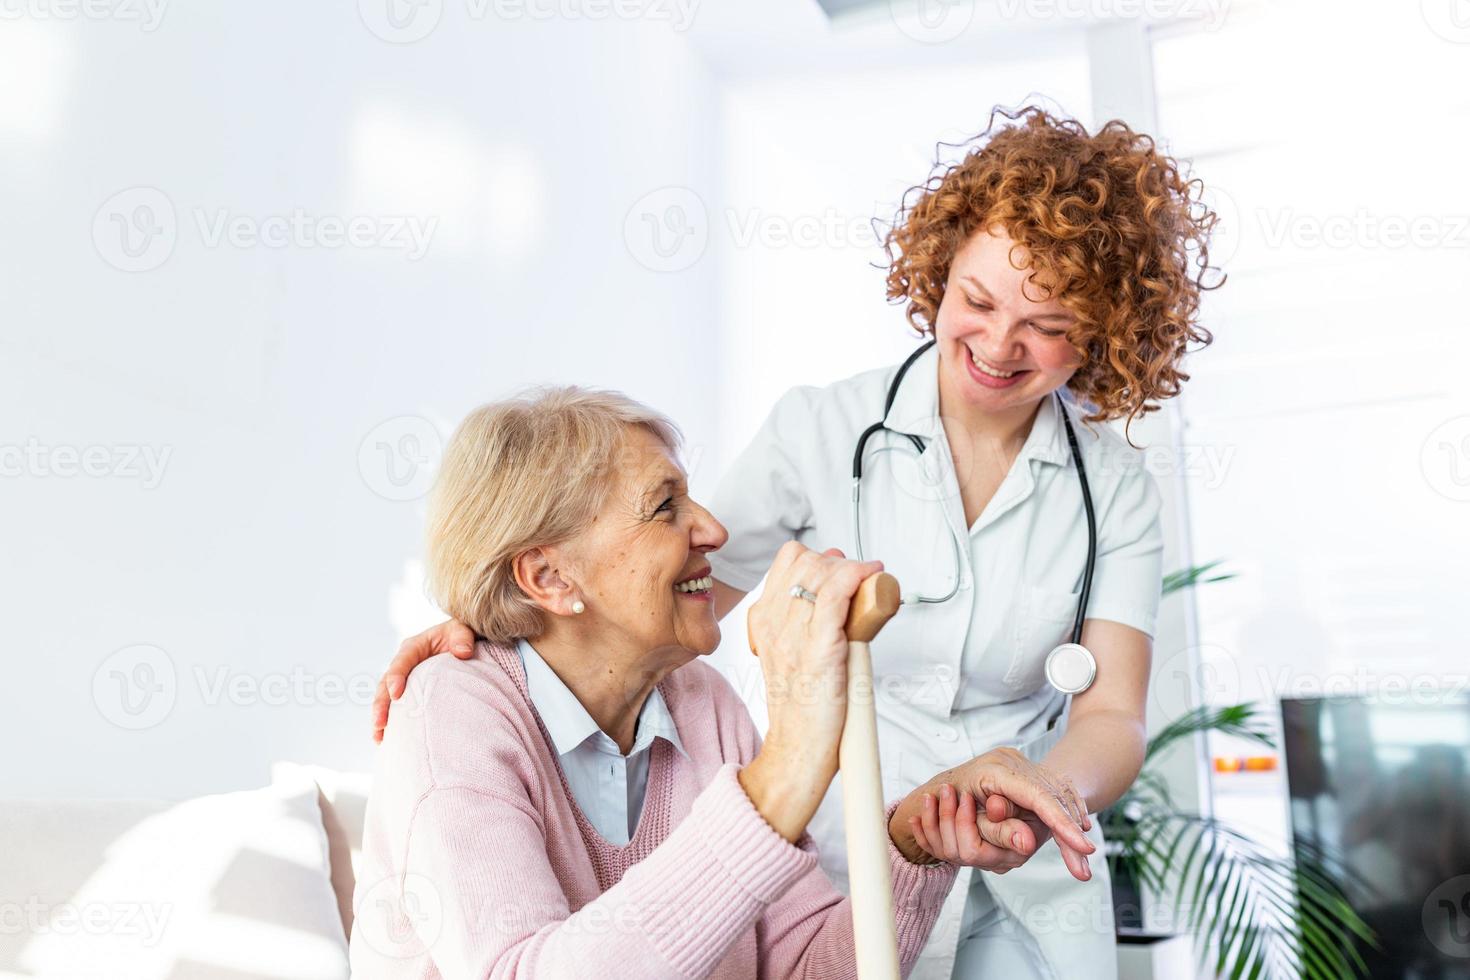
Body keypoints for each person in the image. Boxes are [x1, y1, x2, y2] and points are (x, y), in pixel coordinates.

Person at [371, 105, 1220, 978]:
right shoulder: (822, 432)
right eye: (977, 300)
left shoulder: (1113, 489)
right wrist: (486, 625)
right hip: (846, 852)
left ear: (1106, 333)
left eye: (1048, 326)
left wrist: (1040, 791)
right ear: (941, 270)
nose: (1001, 345)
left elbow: (1112, 712)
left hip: (1019, 858)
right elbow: (653, 585)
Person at [349, 387, 1098, 979]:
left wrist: (908, 847)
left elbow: (804, 971)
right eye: (665, 506)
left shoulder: (700, 702)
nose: (712, 529)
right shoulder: (453, 717)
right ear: (549, 577)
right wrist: (790, 760)